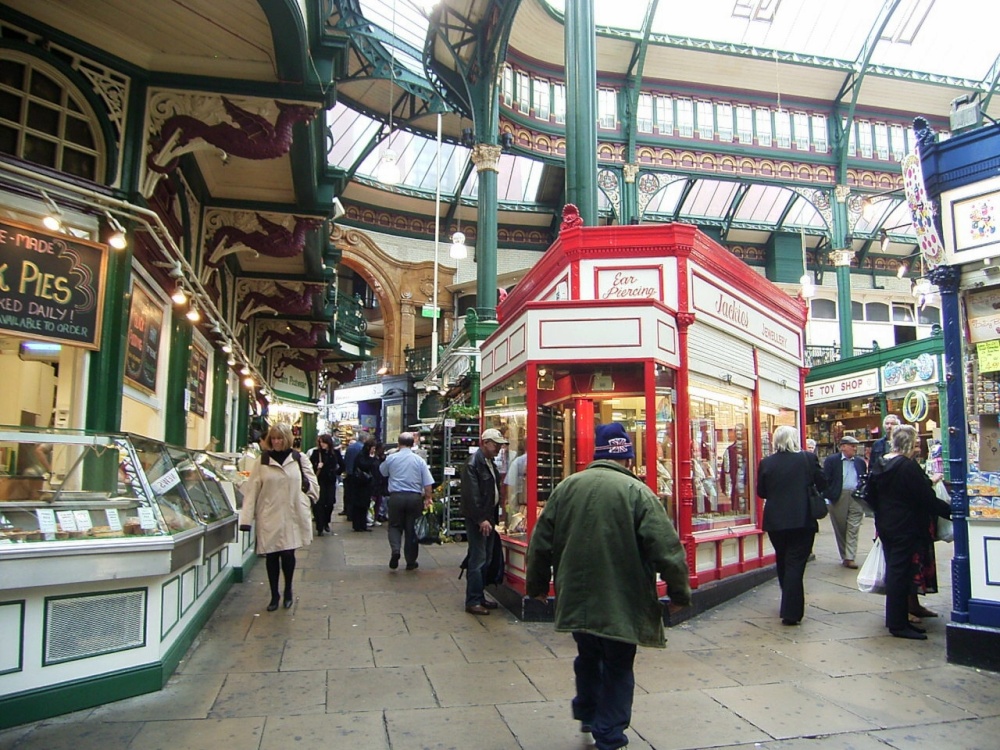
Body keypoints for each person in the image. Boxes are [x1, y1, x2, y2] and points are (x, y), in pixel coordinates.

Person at [525, 422, 691, 750]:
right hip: (622, 598)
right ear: (627, 457)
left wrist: (537, 587)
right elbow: (668, 549)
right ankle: (610, 734)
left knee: (587, 654)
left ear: (597, 454)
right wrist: (679, 594)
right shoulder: (639, 493)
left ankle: (588, 712)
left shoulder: (567, 487)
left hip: (577, 595)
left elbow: (540, 542)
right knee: (617, 663)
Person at [867, 425, 951, 640]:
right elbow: (925, 498)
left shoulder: (881, 463)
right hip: (906, 526)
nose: (917, 448)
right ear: (908, 443)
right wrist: (952, 511)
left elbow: (872, 495)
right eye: (915, 444)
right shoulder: (907, 467)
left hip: (887, 525)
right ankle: (898, 624)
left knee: (895, 572)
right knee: (900, 574)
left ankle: (896, 620)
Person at [238, 423, 318, 611]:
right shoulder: (263, 460)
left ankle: (288, 590)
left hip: (292, 514)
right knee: (271, 555)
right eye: (273, 438)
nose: (276, 441)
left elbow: (314, 485)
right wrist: (246, 520)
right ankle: (274, 594)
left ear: (287, 439)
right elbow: (252, 491)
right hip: (270, 514)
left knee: (288, 553)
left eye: (279, 438)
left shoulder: (299, 458)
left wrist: (305, 498)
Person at [756, 426, 827, 626]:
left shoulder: (766, 463)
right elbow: (823, 483)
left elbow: (762, 492)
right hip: (802, 519)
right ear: (795, 439)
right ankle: (791, 611)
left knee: (783, 559)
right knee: (795, 563)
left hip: (776, 521)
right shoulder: (807, 458)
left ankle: (788, 597)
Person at [460, 427, 507, 615]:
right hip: (479, 520)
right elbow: (472, 495)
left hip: (488, 518)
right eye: (495, 444)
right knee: (478, 559)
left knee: (485, 558)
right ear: (485, 442)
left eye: (500, 445)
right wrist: (481, 519)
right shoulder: (473, 464)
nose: (498, 448)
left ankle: (478, 596)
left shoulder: (488, 462)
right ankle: (473, 600)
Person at [379, 432, 435, 571]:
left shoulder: (391, 458)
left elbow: (383, 472)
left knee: (394, 526)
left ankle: (395, 550)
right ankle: (411, 561)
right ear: (413, 444)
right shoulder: (419, 460)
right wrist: (428, 498)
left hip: (396, 497)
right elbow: (428, 483)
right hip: (414, 498)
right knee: (411, 530)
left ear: (398, 443)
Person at [822, 435, 868, 568]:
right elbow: (826, 479)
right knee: (841, 527)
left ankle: (850, 556)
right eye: (851, 445)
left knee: (853, 527)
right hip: (838, 496)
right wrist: (828, 497)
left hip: (855, 496)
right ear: (842, 447)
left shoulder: (859, 462)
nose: (854, 448)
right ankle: (845, 556)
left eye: (855, 446)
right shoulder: (832, 461)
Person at [310, 434, 343, 536]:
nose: (322, 444)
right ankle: (320, 526)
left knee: (330, 502)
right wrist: (316, 466)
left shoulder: (335, 453)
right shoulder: (316, 453)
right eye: (320, 442)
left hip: (330, 481)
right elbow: (309, 468)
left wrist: (336, 472)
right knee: (319, 503)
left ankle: (326, 521)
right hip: (319, 481)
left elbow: (342, 465)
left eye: (324, 442)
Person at [343, 433, 377, 532]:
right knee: (359, 505)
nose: (373, 450)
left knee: (364, 505)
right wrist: (372, 459)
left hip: (364, 485)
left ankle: (362, 524)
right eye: (372, 448)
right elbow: (364, 465)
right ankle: (358, 525)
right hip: (360, 485)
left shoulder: (361, 454)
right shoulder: (362, 456)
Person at [503, 449, 528, 529]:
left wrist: (508, 499)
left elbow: (510, 483)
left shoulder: (518, 461)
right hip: (521, 500)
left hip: (519, 500)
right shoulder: (519, 461)